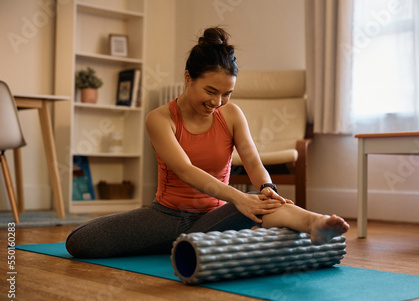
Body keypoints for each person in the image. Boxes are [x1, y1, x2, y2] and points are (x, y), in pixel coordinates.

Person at [65, 27, 349, 259]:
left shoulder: (232, 115)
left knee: (264, 202)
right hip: (167, 216)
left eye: (227, 94)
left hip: (216, 217)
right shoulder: (160, 118)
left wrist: (266, 187)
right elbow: (185, 170)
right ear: (188, 78)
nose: (217, 102)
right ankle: (180, 242)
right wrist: (239, 197)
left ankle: (315, 222)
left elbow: (251, 159)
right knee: (80, 242)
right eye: (211, 91)